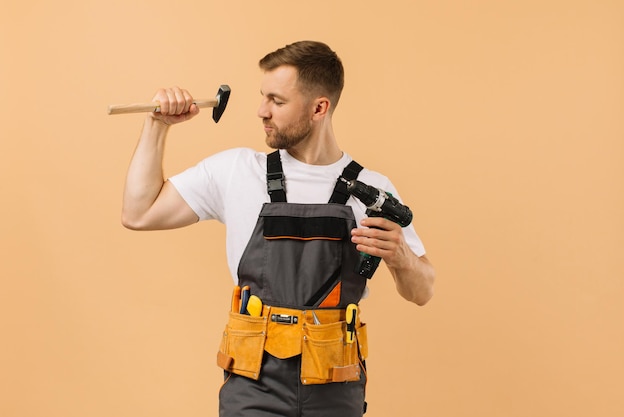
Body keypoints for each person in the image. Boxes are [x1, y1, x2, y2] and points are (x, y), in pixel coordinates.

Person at [122, 40, 435, 417]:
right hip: (253, 385)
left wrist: (401, 256)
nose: (261, 111)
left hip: (335, 382)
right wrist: (157, 125)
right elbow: (139, 213)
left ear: (320, 107)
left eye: (277, 101)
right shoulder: (237, 171)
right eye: (262, 97)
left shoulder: (372, 189)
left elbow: (423, 291)